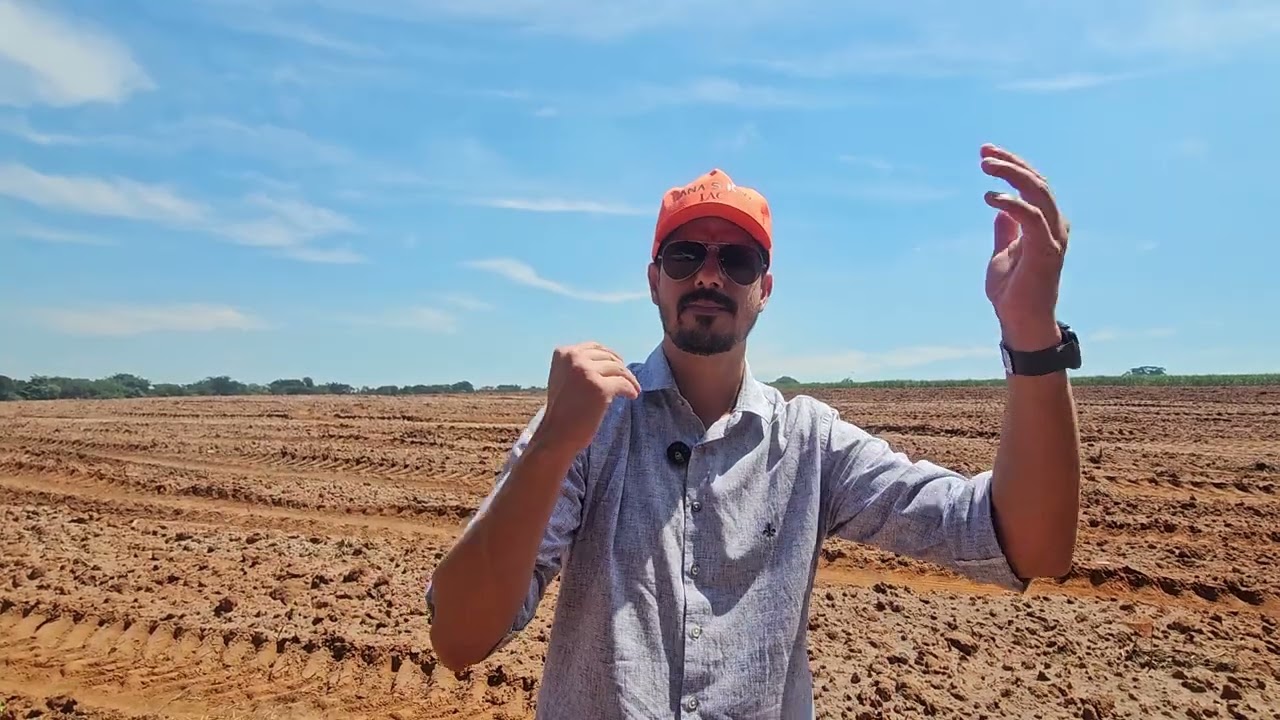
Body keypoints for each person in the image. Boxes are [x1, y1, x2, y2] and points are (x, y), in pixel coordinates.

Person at [425, 144, 1082, 719]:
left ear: (764, 288)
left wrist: (1032, 332)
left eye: (737, 260)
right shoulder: (587, 427)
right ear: (654, 280)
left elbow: (1028, 546)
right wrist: (550, 447)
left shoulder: (810, 444)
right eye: (685, 255)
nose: (710, 275)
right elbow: (458, 639)